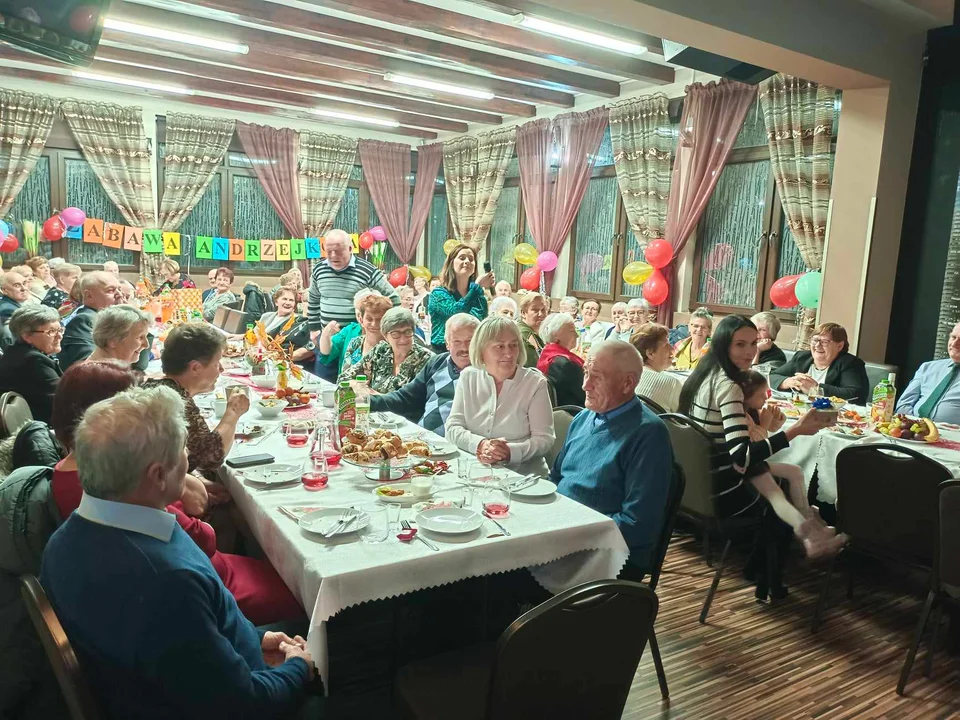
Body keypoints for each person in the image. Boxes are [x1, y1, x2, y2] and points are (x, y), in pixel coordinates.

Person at [39, 385, 317, 719]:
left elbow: (184, 646)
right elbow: (244, 705)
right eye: (182, 448)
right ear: (158, 475)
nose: (187, 457)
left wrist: (255, 638)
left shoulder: (63, 541)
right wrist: (298, 667)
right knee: (347, 647)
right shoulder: (165, 581)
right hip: (225, 704)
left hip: (187, 681)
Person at [49, 362, 304, 628]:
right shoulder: (169, 571)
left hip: (203, 578)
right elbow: (197, 543)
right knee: (302, 588)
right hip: (214, 585)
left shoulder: (83, 482)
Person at [679, 315, 844, 558]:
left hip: (693, 481)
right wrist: (796, 429)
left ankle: (811, 536)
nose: (749, 351)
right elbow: (742, 457)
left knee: (775, 475)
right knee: (776, 483)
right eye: (740, 344)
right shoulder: (729, 385)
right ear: (723, 345)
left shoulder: (705, 373)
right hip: (719, 490)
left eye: (753, 343)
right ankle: (806, 540)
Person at [554, 341, 673, 575]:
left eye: (597, 377)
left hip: (608, 553)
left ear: (628, 383)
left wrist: (571, 530)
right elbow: (556, 478)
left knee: (504, 578)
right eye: (586, 372)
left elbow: (637, 524)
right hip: (563, 533)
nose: (585, 385)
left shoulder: (648, 434)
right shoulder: (584, 418)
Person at [446, 316, 554, 475]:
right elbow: (452, 428)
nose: (509, 353)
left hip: (523, 477)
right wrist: (481, 444)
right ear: (481, 350)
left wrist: (510, 452)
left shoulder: (534, 383)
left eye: (513, 345)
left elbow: (545, 439)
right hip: (475, 471)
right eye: (500, 346)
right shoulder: (469, 377)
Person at [143, 323, 250, 483]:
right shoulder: (171, 401)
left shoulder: (160, 387)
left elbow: (187, 458)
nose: (221, 369)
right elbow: (209, 458)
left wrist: (196, 481)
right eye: (216, 363)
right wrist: (233, 413)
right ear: (195, 368)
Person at [371, 314, 479, 435]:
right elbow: (405, 398)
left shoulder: (487, 373)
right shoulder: (437, 363)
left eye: (470, 341)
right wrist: (365, 402)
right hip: (423, 438)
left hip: (460, 443)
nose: (464, 348)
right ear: (447, 344)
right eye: (457, 341)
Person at [308, 228, 398, 339]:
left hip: (357, 339)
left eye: (338, 251)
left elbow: (394, 298)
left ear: (350, 248)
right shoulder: (319, 269)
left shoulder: (367, 270)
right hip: (326, 338)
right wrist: (314, 330)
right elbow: (313, 299)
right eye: (329, 251)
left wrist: (385, 329)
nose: (333, 255)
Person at [770, 322, 870, 403]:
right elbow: (772, 376)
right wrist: (788, 382)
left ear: (839, 346)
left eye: (824, 342)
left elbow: (855, 394)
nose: (817, 345)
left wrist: (816, 389)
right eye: (815, 340)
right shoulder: (802, 357)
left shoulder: (850, 363)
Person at [340, 307, 433, 393]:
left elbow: (418, 399)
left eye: (407, 332)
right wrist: (358, 386)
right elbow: (343, 379)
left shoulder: (427, 359)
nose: (403, 339)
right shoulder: (381, 351)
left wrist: (376, 396)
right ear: (385, 336)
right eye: (395, 334)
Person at [0, 305, 62, 422]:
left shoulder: (15, 351)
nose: (59, 336)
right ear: (27, 336)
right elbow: (62, 402)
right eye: (51, 332)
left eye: (60, 330)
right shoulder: (34, 361)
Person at [429, 243, 493, 352]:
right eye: (462, 258)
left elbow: (483, 326)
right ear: (451, 263)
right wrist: (477, 287)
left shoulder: (479, 297)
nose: (467, 261)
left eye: (471, 259)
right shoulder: (438, 293)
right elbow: (456, 314)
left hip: (472, 351)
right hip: (443, 352)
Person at [897, 321, 960, 423]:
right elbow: (903, 404)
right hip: (912, 429)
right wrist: (914, 426)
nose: (954, 344)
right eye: (953, 337)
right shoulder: (927, 367)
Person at [58, 271, 120, 372]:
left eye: (119, 289)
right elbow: (90, 368)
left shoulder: (105, 318)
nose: (119, 295)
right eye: (110, 290)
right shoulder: (84, 320)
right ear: (89, 296)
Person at [315, 289, 382, 377]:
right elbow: (326, 352)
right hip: (346, 383)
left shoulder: (386, 333)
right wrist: (325, 334)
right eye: (359, 311)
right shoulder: (351, 330)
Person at [335, 293, 393, 377]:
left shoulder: (392, 347)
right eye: (369, 319)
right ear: (361, 320)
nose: (374, 324)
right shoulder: (355, 343)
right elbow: (344, 376)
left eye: (379, 319)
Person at [631, 322, 683, 413]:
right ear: (650, 353)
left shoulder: (627, 375)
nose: (672, 348)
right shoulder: (671, 383)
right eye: (666, 345)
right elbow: (683, 416)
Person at [537, 312, 585, 407]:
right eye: (572, 331)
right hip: (572, 412)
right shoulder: (565, 364)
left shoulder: (547, 353)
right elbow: (588, 395)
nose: (577, 335)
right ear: (556, 335)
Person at [259, 287, 314, 368]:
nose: (287, 303)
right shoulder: (292, 320)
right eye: (306, 301)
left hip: (290, 364)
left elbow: (308, 350)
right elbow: (260, 337)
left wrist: (281, 358)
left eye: (291, 300)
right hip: (269, 359)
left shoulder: (310, 324)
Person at [87, 305, 153, 365]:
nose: (146, 345)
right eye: (140, 337)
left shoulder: (108, 369)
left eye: (146, 336)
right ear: (113, 339)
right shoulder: (97, 373)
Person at [517, 292, 547, 368]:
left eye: (543, 310)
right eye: (535, 310)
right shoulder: (523, 334)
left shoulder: (539, 333)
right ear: (523, 313)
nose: (541, 314)